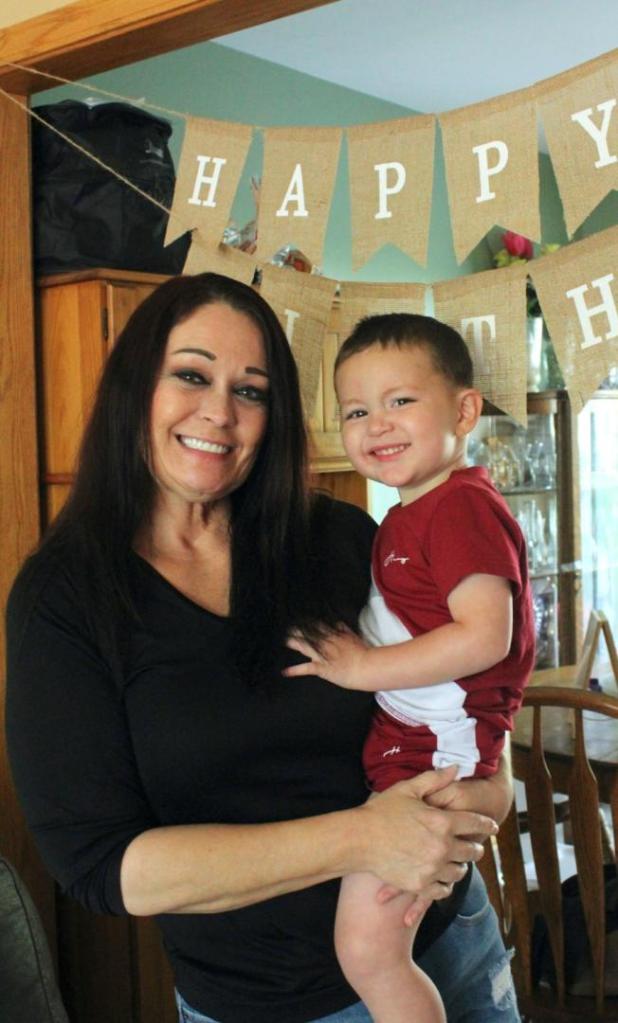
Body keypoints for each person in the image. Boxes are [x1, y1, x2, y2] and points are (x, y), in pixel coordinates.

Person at [6, 275, 519, 1023]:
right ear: (134, 386)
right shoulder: (65, 599)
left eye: (251, 390)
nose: (219, 411)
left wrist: (485, 796)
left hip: (451, 945)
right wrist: (363, 838)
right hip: (272, 1002)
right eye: (191, 374)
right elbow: (101, 865)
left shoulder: (343, 542)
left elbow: (469, 701)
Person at [286, 313, 534, 1023]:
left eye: (401, 401)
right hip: (419, 749)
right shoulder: (412, 511)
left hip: (433, 757)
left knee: (367, 949)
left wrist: (362, 666)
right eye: (357, 409)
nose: (376, 424)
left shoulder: (458, 508)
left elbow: (488, 636)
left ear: (464, 409)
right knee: (373, 946)